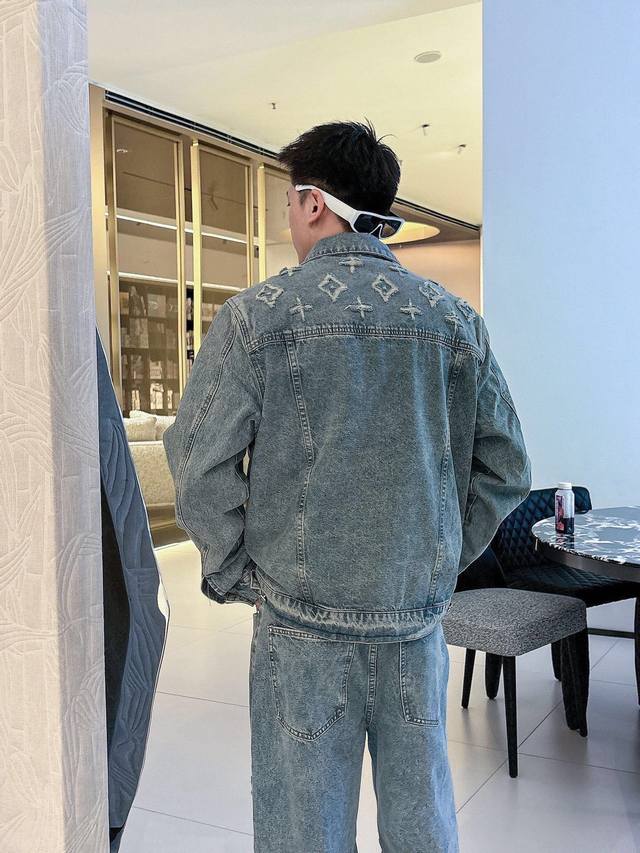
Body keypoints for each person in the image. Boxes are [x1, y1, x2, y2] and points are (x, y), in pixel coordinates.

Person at [163, 120, 532, 853]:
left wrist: (240, 574)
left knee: (304, 833)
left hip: (298, 628)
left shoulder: (255, 319)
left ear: (312, 203)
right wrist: (436, 559)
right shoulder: (454, 320)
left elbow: (198, 462)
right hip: (412, 623)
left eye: (287, 203)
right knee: (422, 824)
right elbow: (507, 466)